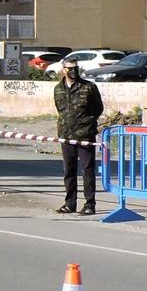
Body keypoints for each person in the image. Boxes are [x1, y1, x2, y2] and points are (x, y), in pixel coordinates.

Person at [53, 57, 104, 215]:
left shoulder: (88, 87)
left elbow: (98, 108)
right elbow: (60, 109)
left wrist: (86, 122)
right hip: (66, 135)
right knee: (69, 170)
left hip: (84, 135)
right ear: (63, 70)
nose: (73, 71)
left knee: (87, 170)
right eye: (69, 68)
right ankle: (70, 203)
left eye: (75, 68)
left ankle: (90, 204)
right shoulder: (58, 88)